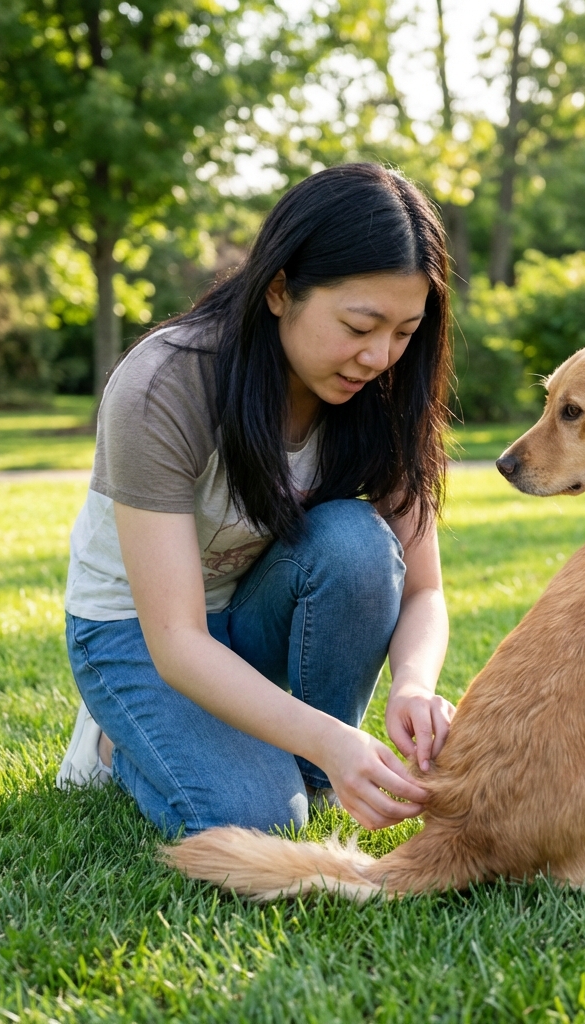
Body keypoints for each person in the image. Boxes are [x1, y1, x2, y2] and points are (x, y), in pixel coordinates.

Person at [55, 163, 456, 837]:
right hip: (140, 635)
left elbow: (423, 591)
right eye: (360, 325)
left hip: (252, 612)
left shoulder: (385, 393)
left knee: (356, 543)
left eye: (404, 331)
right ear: (278, 290)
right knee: (260, 820)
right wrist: (327, 737)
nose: (380, 355)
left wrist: (414, 684)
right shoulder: (165, 385)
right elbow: (177, 640)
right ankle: (113, 741)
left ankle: (310, 761)